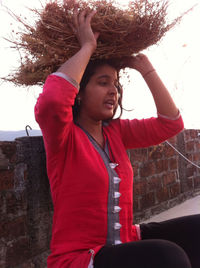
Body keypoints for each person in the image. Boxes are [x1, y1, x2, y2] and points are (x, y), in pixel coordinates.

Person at [35, 9, 200, 268]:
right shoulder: (64, 137)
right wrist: (88, 46)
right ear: (78, 92)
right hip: (80, 257)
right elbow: (53, 101)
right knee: (168, 257)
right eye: (103, 82)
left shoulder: (116, 132)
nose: (113, 90)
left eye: (115, 84)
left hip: (126, 241)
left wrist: (145, 68)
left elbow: (171, 123)